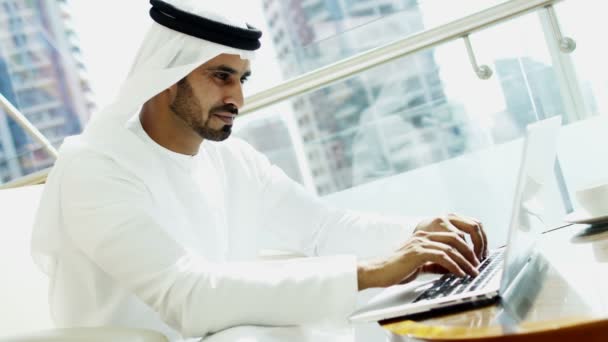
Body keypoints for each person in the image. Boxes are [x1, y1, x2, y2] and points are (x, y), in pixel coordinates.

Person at [31, 0, 488, 341]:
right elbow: (185, 293)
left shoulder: (231, 159)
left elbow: (322, 228)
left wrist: (422, 234)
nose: (238, 99)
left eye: (242, 79)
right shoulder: (94, 166)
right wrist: (370, 271)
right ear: (167, 77)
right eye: (221, 76)